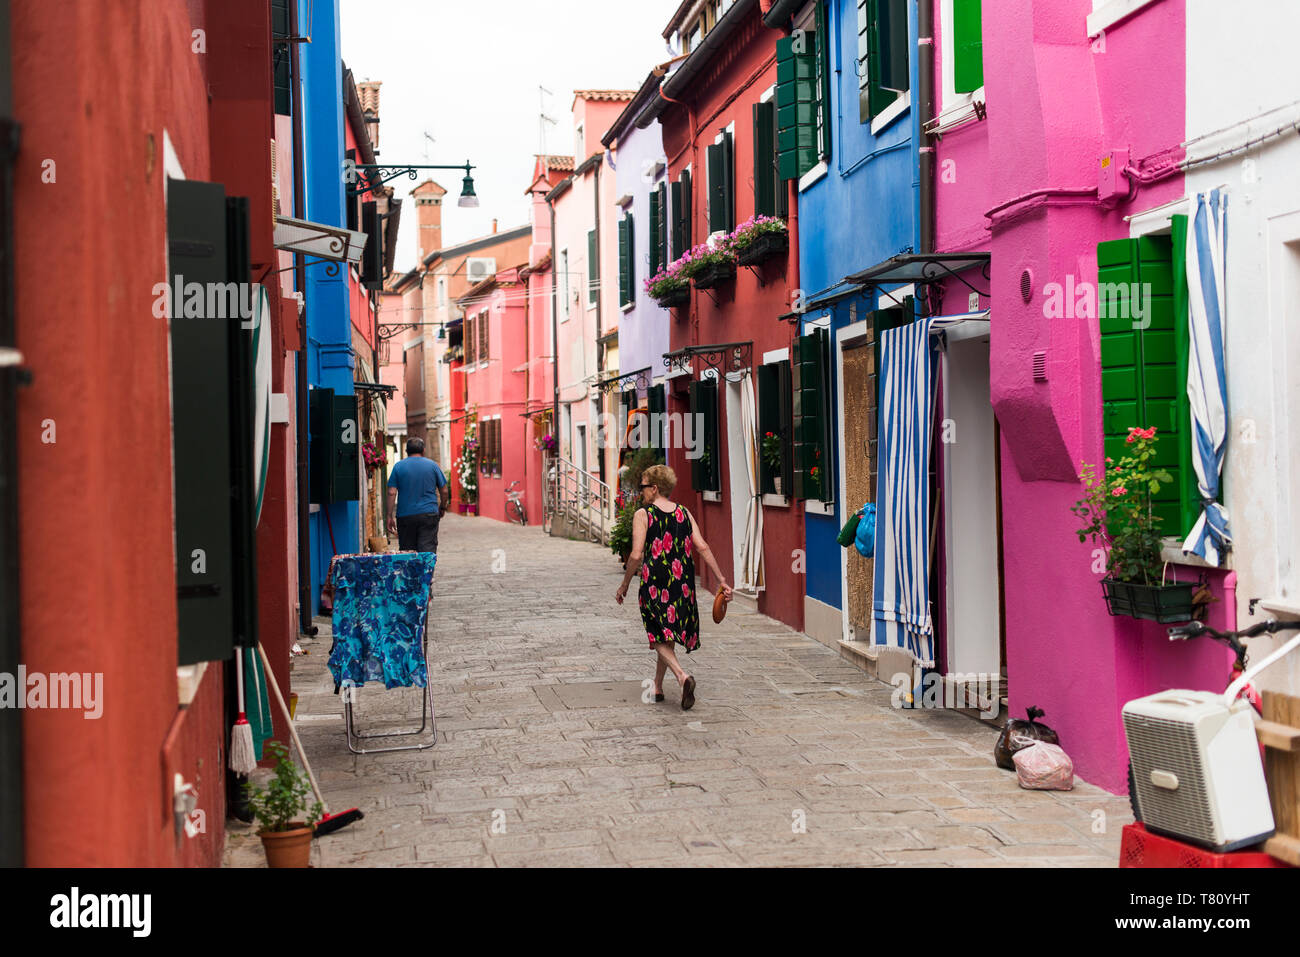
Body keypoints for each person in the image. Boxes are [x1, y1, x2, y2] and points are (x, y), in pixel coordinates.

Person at [615, 464, 731, 710]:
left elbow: (636, 555)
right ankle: (657, 686)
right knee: (667, 633)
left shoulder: (643, 514)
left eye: (643, 486)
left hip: (655, 583)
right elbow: (702, 546)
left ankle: (682, 676)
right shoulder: (683, 512)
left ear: (654, 488)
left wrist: (624, 584)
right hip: (682, 583)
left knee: (656, 633)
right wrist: (721, 579)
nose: (641, 492)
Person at [386, 437, 449, 553]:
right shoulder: (433, 466)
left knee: (408, 552)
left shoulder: (398, 467)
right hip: (429, 514)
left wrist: (389, 516)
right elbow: (444, 491)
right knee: (427, 550)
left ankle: (412, 571)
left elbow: (391, 492)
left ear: (406, 451)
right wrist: (443, 507)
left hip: (405, 516)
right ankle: (426, 571)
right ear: (423, 450)